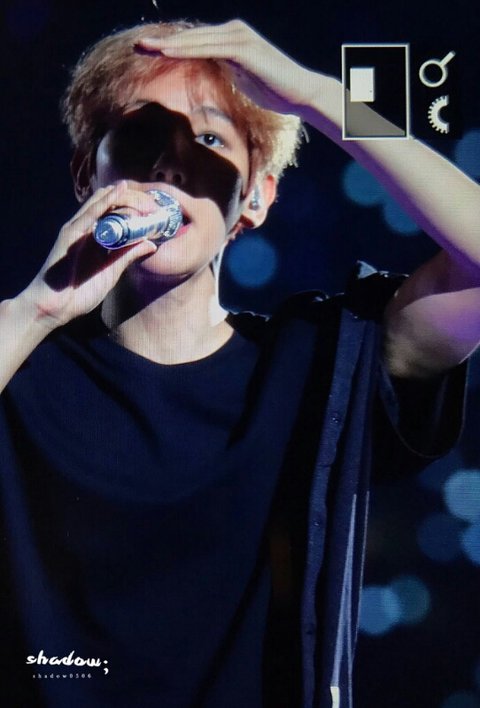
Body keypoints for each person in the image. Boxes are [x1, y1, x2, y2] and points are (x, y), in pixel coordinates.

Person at [0, 18, 478, 708]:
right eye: (140, 132)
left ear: (255, 198)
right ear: (85, 174)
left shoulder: (314, 365)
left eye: (209, 139)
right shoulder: (20, 357)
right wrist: (36, 310)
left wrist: (320, 98)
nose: (168, 165)